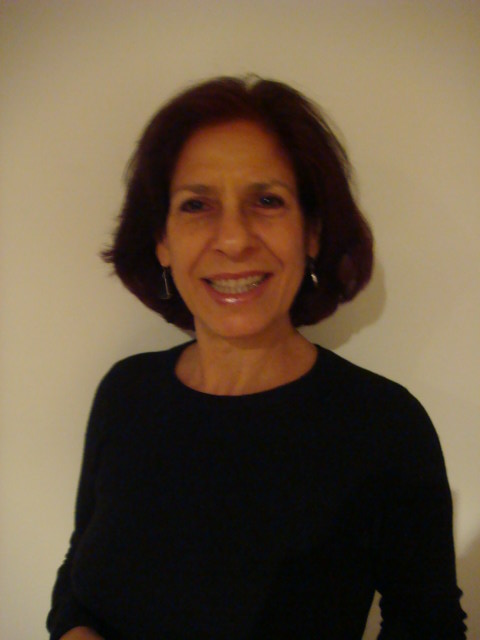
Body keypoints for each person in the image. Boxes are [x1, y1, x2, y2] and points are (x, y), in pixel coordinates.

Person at [47, 76, 466, 639]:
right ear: (162, 240)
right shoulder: (125, 391)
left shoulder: (384, 426)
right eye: (196, 205)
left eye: (267, 201)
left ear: (312, 232)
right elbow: (77, 575)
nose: (234, 239)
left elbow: (429, 628)